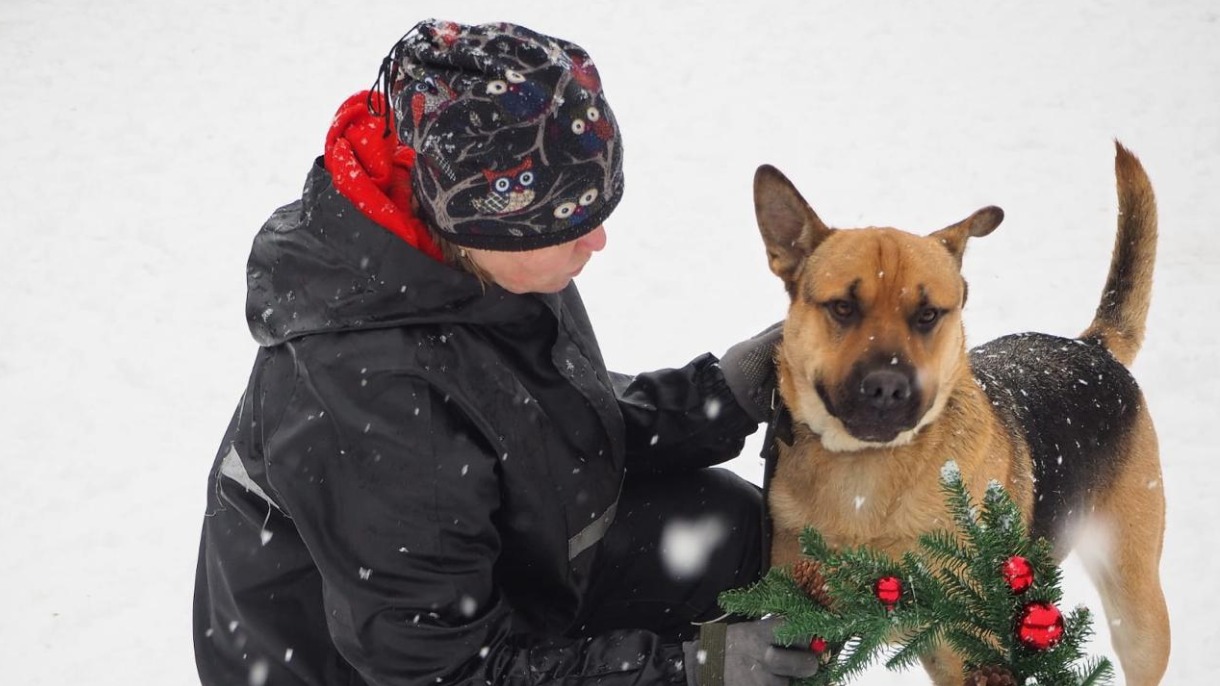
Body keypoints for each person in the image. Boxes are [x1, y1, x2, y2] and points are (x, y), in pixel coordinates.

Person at [193, 19, 818, 686]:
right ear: (487, 219)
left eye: (594, 208)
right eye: (568, 222)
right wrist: (691, 670)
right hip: (378, 670)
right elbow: (449, 673)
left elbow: (534, 423)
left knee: (736, 535)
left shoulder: (467, 255)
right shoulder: (378, 399)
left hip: (479, 582)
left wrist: (723, 391)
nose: (597, 239)